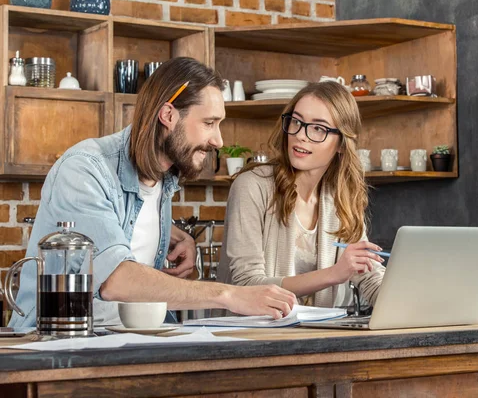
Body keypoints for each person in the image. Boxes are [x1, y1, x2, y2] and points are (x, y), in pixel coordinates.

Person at [9, 57, 295, 328]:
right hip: (58, 344)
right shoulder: (85, 167)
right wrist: (230, 295)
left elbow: (121, 223)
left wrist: (168, 231)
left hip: (131, 339)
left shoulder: (163, 176)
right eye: (209, 123)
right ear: (168, 115)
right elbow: (115, 280)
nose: (218, 140)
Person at [218, 81, 385, 308]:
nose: (301, 135)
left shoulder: (340, 199)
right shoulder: (252, 186)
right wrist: (334, 273)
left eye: (318, 128)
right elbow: (248, 284)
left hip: (316, 336)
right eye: (296, 121)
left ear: (342, 144)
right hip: (254, 336)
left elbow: (370, 277)